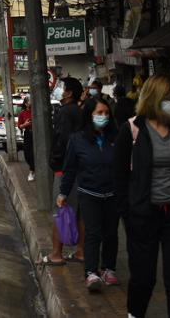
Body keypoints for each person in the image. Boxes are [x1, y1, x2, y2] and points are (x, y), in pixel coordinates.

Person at [114, 74, 170, 318]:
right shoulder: (131, 129)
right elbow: (119, 176)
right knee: (143, 278)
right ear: (155, 99)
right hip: (143, 216)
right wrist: (127, 213)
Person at [59, 97, 120, 292]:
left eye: (106, 113)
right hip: (89, 193)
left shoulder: (116, 137)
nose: (103, 117)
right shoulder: (77, 139)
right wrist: (63, 193)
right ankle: (91, 272)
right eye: (99, 113)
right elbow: (69, 169)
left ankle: (108, 269)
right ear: (89, 116)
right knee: (93, 233)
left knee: (111, 233)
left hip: (113, 194)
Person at [43, 77, 86, 265]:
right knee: (79, 213)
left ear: (68, 93)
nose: (57, 89)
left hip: (65, 169)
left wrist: (56, 164)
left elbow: (62, 141)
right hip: (80, 168)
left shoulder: (65, 112)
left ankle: (56, 254)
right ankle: (81, 252)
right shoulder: (78, 111)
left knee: (60, 211)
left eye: (61, 87)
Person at [18, 97, 35, 181]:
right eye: (29, 101)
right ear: (26, 104)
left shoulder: (35, 111)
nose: (31, 102)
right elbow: (19, 126)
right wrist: (25, 124)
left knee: (32, 153)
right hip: (28, 133)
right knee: (27, 154)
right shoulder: (22, 113)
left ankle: (31, 172)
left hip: (36, 134)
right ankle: (33, 167)